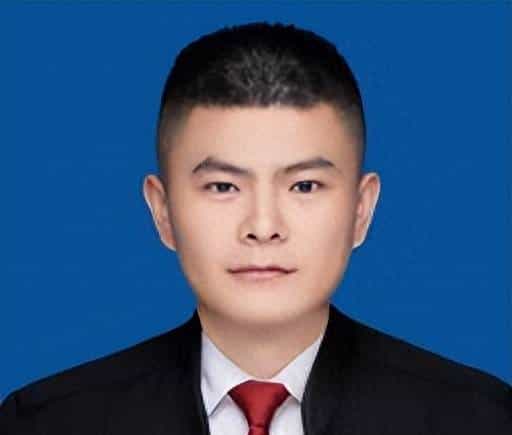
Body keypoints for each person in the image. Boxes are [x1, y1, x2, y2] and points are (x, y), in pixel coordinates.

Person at [1, 21, 510, 435]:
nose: (263, 227)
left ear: (361, 209)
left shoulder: (478, 419)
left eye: (305, 186)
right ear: (163, 211)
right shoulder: (47, 423)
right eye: (223, 186)